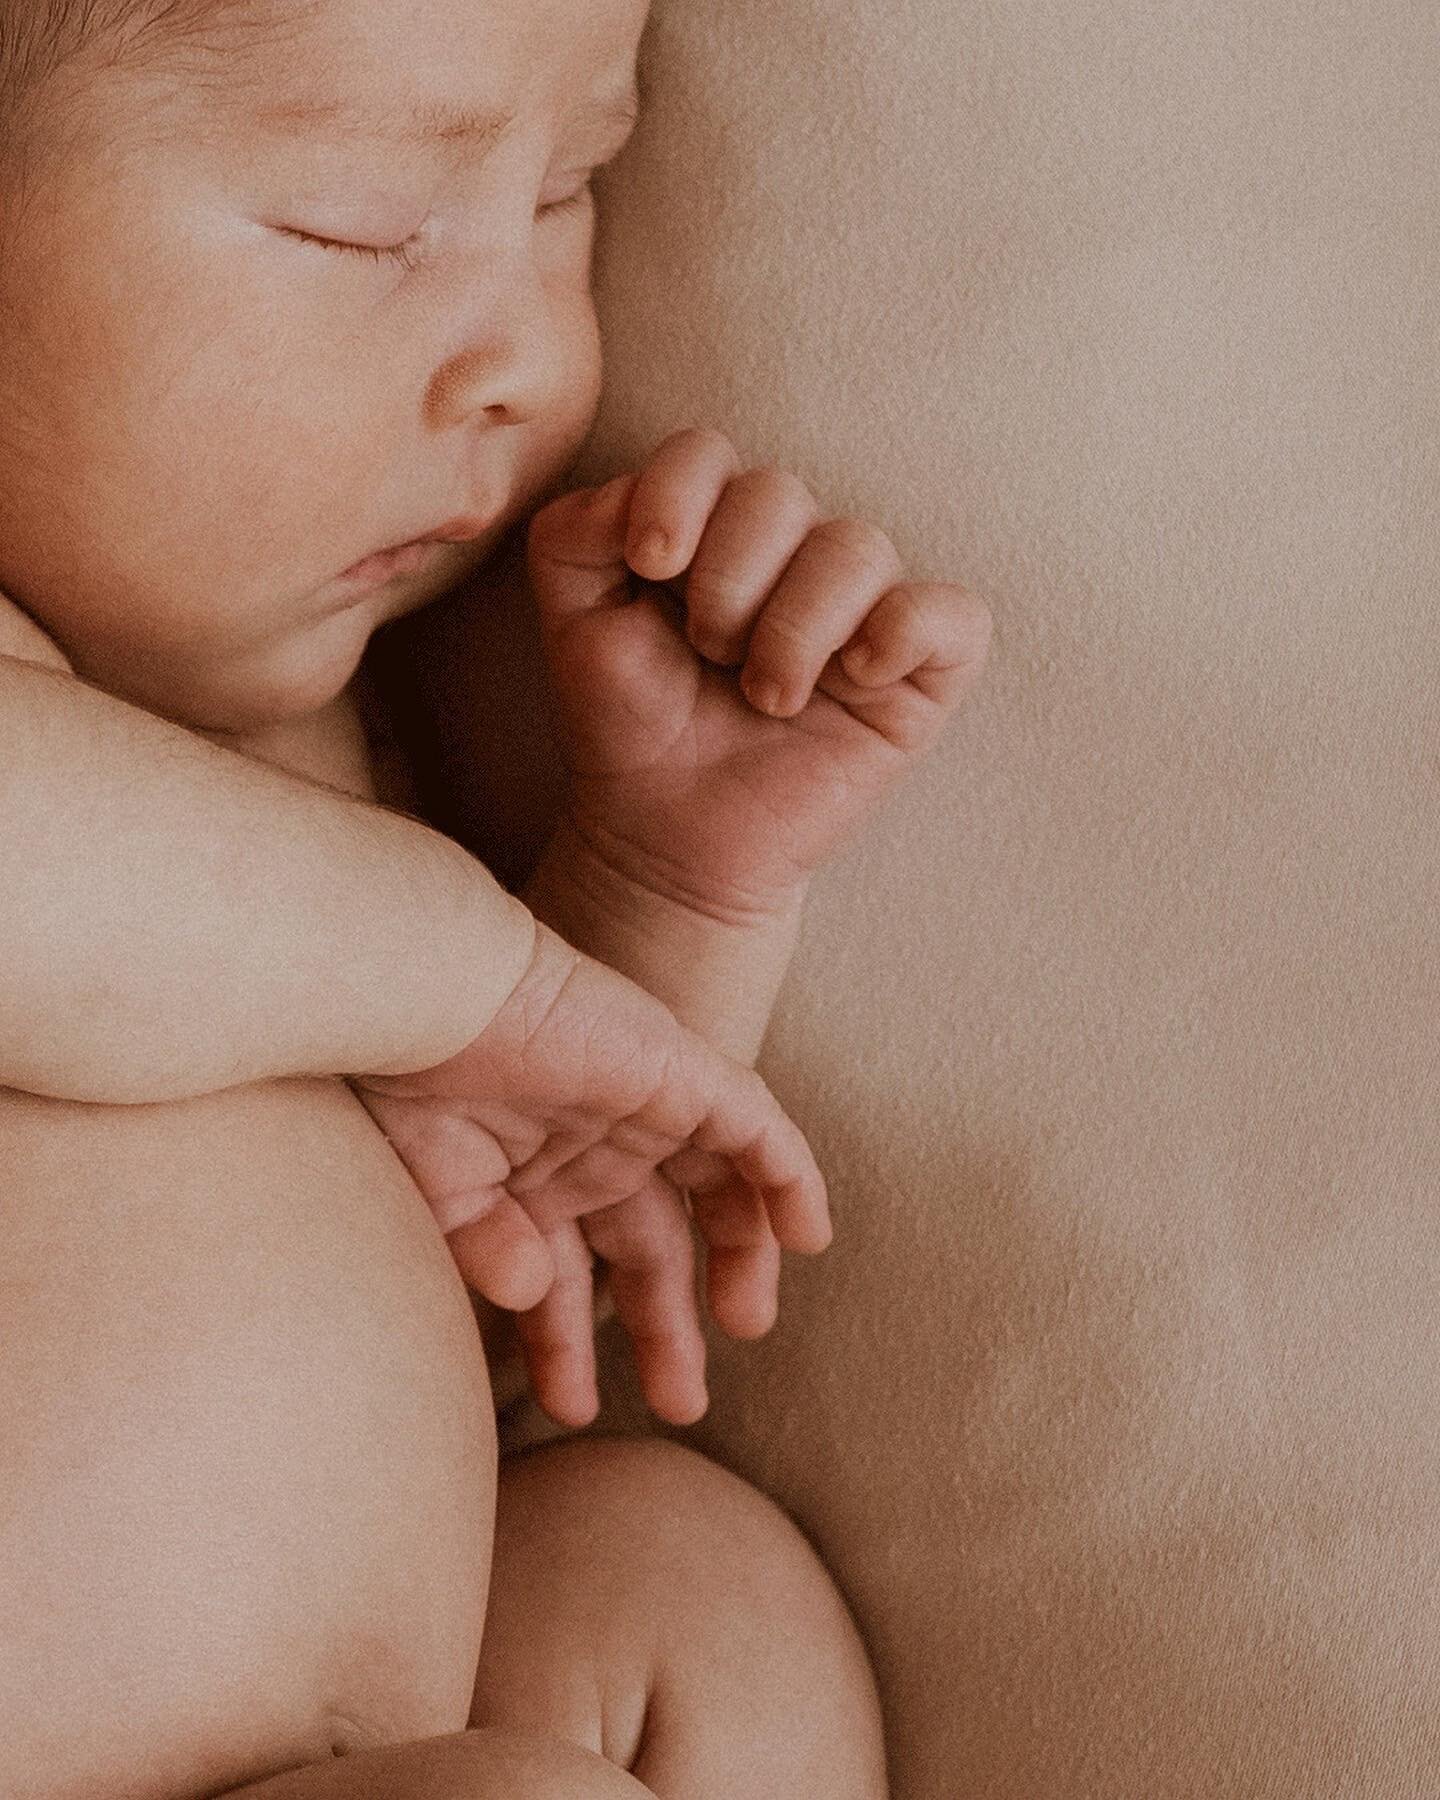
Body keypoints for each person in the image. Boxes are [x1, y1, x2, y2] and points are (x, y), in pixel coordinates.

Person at [0, 0, 992, 1794]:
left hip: (358, 1715)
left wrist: (655, 891)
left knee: (675, 1577)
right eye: (365, 223)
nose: (528, 355)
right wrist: (483, 977)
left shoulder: (318, 740)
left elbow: (484, 1295)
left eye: (572, 192)